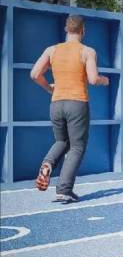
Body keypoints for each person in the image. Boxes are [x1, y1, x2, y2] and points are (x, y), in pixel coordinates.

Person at [31, 15, 110, 202]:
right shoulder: (87, 51)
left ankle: (47, 164)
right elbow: (93, 79)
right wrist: (104, 80)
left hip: (56, 103)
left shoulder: (52, 50)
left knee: (61, 141)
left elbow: (34, 74)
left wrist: (49, 88)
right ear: (83, 30)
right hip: (77, 103)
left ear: (66, 29)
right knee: (77, 147)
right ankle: (64, 190)